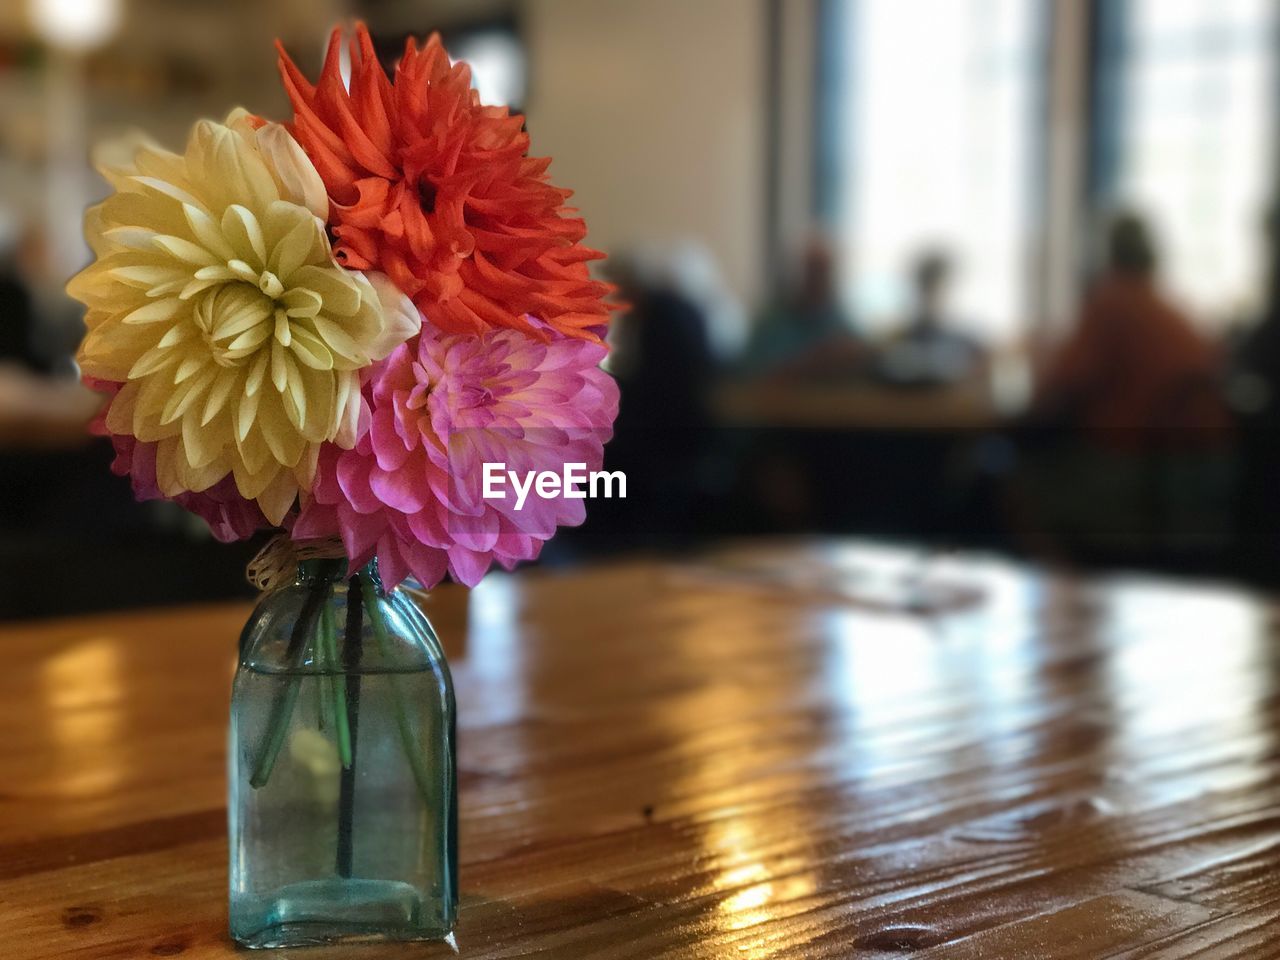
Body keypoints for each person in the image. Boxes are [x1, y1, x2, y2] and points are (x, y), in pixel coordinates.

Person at [1032, 213, 1226, 448]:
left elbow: (1065, 380)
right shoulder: (1164, 305)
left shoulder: (1112, 303)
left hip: (1139, 456)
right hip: (1199, 453)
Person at [874, 250, 984, 387]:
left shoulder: (966, 341)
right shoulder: (894, 339)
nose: (934, 294)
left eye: (938, 287)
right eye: (928, 286)